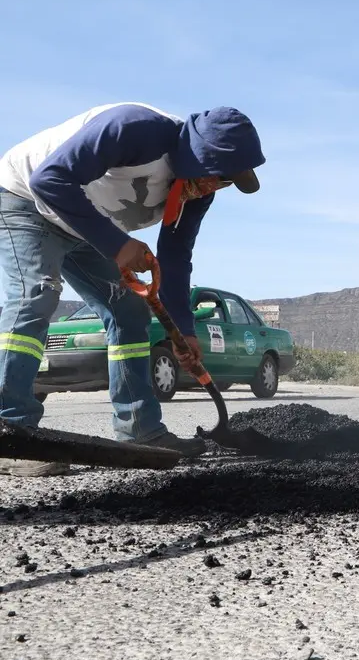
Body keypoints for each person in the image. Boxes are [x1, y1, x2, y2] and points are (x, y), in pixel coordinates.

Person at [0, 103, 266, 476]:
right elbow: (49, 180)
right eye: (215, 174)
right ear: (197, 154)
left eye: (223, 183)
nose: (212, 187)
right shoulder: (134, 129)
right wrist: (118, 244)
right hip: (27, 202)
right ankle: (11, 431)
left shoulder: (197, 192)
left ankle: (140, 429)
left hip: (84, 226)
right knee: (37, 294)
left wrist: (183, 330)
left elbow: (174, 260)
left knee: (128, 311)